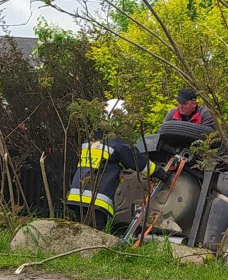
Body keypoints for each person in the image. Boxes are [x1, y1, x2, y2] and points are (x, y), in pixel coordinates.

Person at [66, 99, 169, 231]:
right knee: (95, 234)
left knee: (81, 231)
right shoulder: (117, 143)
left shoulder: (90, 140)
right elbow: (139, 163)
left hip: (76, 196)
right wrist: (160, 173)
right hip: (96, 200)